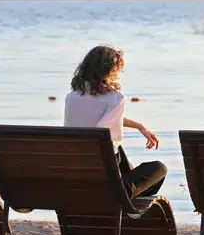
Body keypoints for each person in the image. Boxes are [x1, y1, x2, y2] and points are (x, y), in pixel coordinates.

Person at [64, 45, 166, 200]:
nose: (119, 74)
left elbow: (98, 119)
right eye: (118, 69)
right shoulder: (115, 97)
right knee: (159, 168)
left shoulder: (72, 96)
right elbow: (106, 135)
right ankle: (123, 202)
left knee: (118, 152)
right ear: (108, 71)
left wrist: (139, 126)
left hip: (79, 177)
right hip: (108, 188)